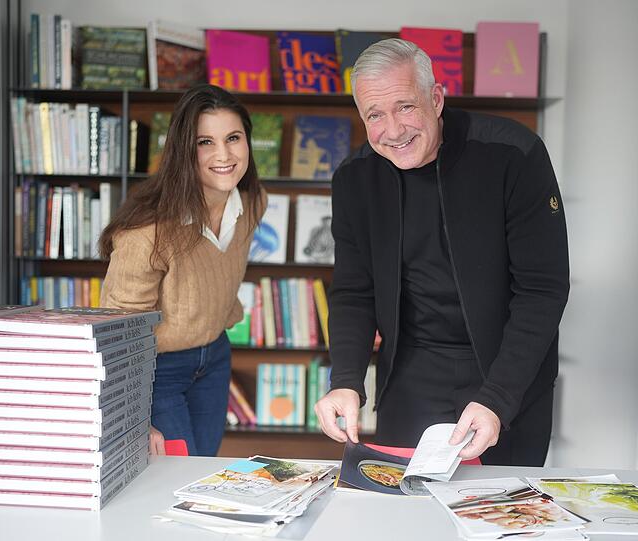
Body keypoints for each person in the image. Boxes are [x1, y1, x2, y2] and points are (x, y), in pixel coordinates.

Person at [314, 39, 569, 466]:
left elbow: (542, 290)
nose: (393, 130)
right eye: (374, 115)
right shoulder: (354, 178)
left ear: (436, 98)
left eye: (405, 107)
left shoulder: (514, 154)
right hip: (410, 376)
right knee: (409, 515)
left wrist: (498, 397)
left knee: (502, 513)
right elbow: (354, 292)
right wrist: (345, 381)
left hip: (507, 370)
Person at [99, 84, 266, 457]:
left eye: (233, 138)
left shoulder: (253, 203)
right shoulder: (148, 231)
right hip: (158, 370)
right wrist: (135, 414)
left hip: (216, 356)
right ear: (182, 150)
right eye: (204, 142)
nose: (224, 154)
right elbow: (118, 328)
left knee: (200, 469)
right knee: (172, 477)